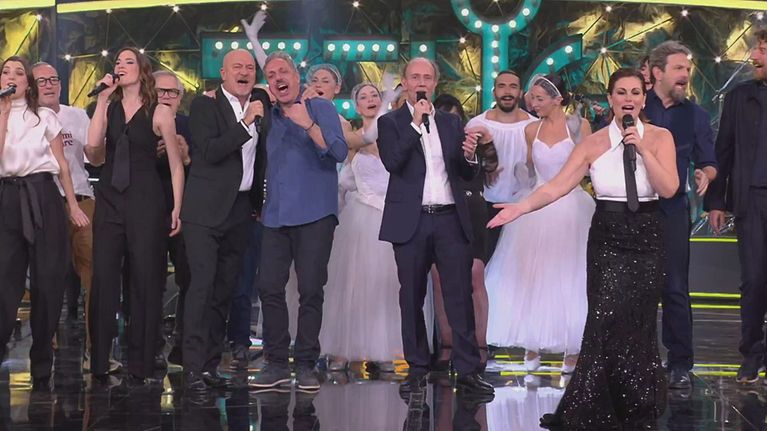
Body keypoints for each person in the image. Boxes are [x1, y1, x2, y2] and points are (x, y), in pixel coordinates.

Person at [488, 68, 679, 429]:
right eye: (621, 92)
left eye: (635, 92)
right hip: (607, 233)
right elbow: (557, 185)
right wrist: (521, 208)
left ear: (643, 99)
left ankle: (637, 400)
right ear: (610, 99)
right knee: (604, 317)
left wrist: (641, 149)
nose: (628, 99)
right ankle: (596, 402)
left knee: (638, 318)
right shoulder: (593, 144)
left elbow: (669, 188)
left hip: (646, 234)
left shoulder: (660, 137)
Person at [377, 57, 493, 397]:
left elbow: (464, 173)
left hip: (449, 219)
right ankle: (417, 368)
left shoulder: (450, 122)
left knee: (459, 295)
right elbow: (393, 162)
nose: (421, 82)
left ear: (435, 83)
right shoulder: (390, 123)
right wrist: (415, 124)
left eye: (427, 77)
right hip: (410, 222)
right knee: (411, 295)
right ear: (405, 82)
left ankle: (468, 369)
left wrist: (470, 156)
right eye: (415, 77)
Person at [85, 47, 184, 384]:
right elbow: (93, 150)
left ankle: (142, 363)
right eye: (118, 62)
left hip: (146, 201)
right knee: (103, 278)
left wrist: (177, 207)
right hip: (110, 200)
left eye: (129, 61)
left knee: (145, 279)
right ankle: (100, 360)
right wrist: (101, 99)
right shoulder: (109, 106)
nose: (121, 66)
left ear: (142, 71)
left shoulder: (160, 112)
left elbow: (175, 164)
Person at [250, 51, 347, 392]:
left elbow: (338, 152)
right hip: (275, 215)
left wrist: (307, 123)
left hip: (315, 214)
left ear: (296, 76)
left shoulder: (319, 107)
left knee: (310, 290)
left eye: (284, 71)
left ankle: (306, 363)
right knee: (269, 287)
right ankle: (276, 362)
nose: (278, 77)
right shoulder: (267, 114)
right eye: (271, 73)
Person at [485, 74, 594, 374]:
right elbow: (531, 171)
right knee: (534, 275)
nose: (533, 103)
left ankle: (572, 348)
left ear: (557, 99)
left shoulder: (579, 126)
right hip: (537, 205)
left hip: (572, 206)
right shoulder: (531, 130)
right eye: (531, 97)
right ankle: (531, 344)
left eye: (539, 98)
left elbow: (586, 166)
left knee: (570, 275)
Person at [180, 48, 268, 392]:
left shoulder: (261, 106)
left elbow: (260, 158)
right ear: (223, 73)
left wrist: (257, 204)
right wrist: (245, 124)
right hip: (204, 211)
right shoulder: (205, 105)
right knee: (202, 287)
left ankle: (210, 365)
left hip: (240, 210)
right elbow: (211, 151)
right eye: (237, 67)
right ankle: (191, 367)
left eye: (249, 67)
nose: (244, 72)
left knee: (225, 290)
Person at [0, 56, 89, 390]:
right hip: (7, 197)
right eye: (5, 72)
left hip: (43, 196)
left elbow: (62, 165)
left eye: (18, 73)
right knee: (5, 283)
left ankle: (41, 363)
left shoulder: (45, 116)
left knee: (48, 281)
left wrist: (72, 205)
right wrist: (3, 114)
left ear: (28, 83)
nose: (11, 77)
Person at [31, 62, 124, 374]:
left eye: (53, 79)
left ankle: (96, 353)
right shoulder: (24, 119)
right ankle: (44, 355)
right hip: (43, 205)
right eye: (41, 81)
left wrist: (101, 141)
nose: (49, 85)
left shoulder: (76, 116)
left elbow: (95, 158)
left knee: (96, 277)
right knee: (46, 279)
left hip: (83, 202)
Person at [318, 82, 415, 370]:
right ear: (356, 105)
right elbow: (366, 137)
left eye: (375, 95)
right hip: (361, 220)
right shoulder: (352, 138)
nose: (371, 99)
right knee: (353, 287)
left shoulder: (397, 136)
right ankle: (344, 350)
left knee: (389, 287)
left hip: (393, 216)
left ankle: (384, 350)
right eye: (364, 97)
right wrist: (387, 102)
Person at [644, 41, 718, 389]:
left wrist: (706, 173)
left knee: (674, 286)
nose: (685, 75)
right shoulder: (637, 105)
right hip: (634, 209)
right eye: (678, 68)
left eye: (687, 69)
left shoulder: (696, 115)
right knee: (637, 287)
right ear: (657, 72)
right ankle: (637, 359)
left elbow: (709, 160)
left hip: (673, 209)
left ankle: (680, 364)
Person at [705, 29, 767, 384]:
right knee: (755, 279)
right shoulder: (739, 97)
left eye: (762, 50)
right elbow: (723, 151)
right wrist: (716, 201)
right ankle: (752, 353)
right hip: (752, 199)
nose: (754, 56)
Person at [429, 94, 498, 372]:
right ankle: (447, 344)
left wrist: (487, 141)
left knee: (475, 275)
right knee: (439, 278)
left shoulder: (473, 142)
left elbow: (491, 167)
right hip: (443, 211)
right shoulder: (428, 143)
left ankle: (479, 344)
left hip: (472, 209)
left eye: (455, 117)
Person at [468, 71, 536, 260]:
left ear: (521, 92)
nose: (507, 92)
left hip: (524, 209)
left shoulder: (535, 126)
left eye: (513, 87)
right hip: (485, 207)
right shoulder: (476, 124)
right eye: (502, 86)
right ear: (494, 91)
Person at [151, 70, 192, 367]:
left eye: (172, 92)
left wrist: (186, 157)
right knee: (148, 279)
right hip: (148, 212)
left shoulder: (191, 126)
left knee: (189, 278)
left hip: (186, 213)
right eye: (160, 91)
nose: (166, 97)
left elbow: (207, 168)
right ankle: (151, 343)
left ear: (180, 97)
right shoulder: (139, 124)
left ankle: (183, 341)